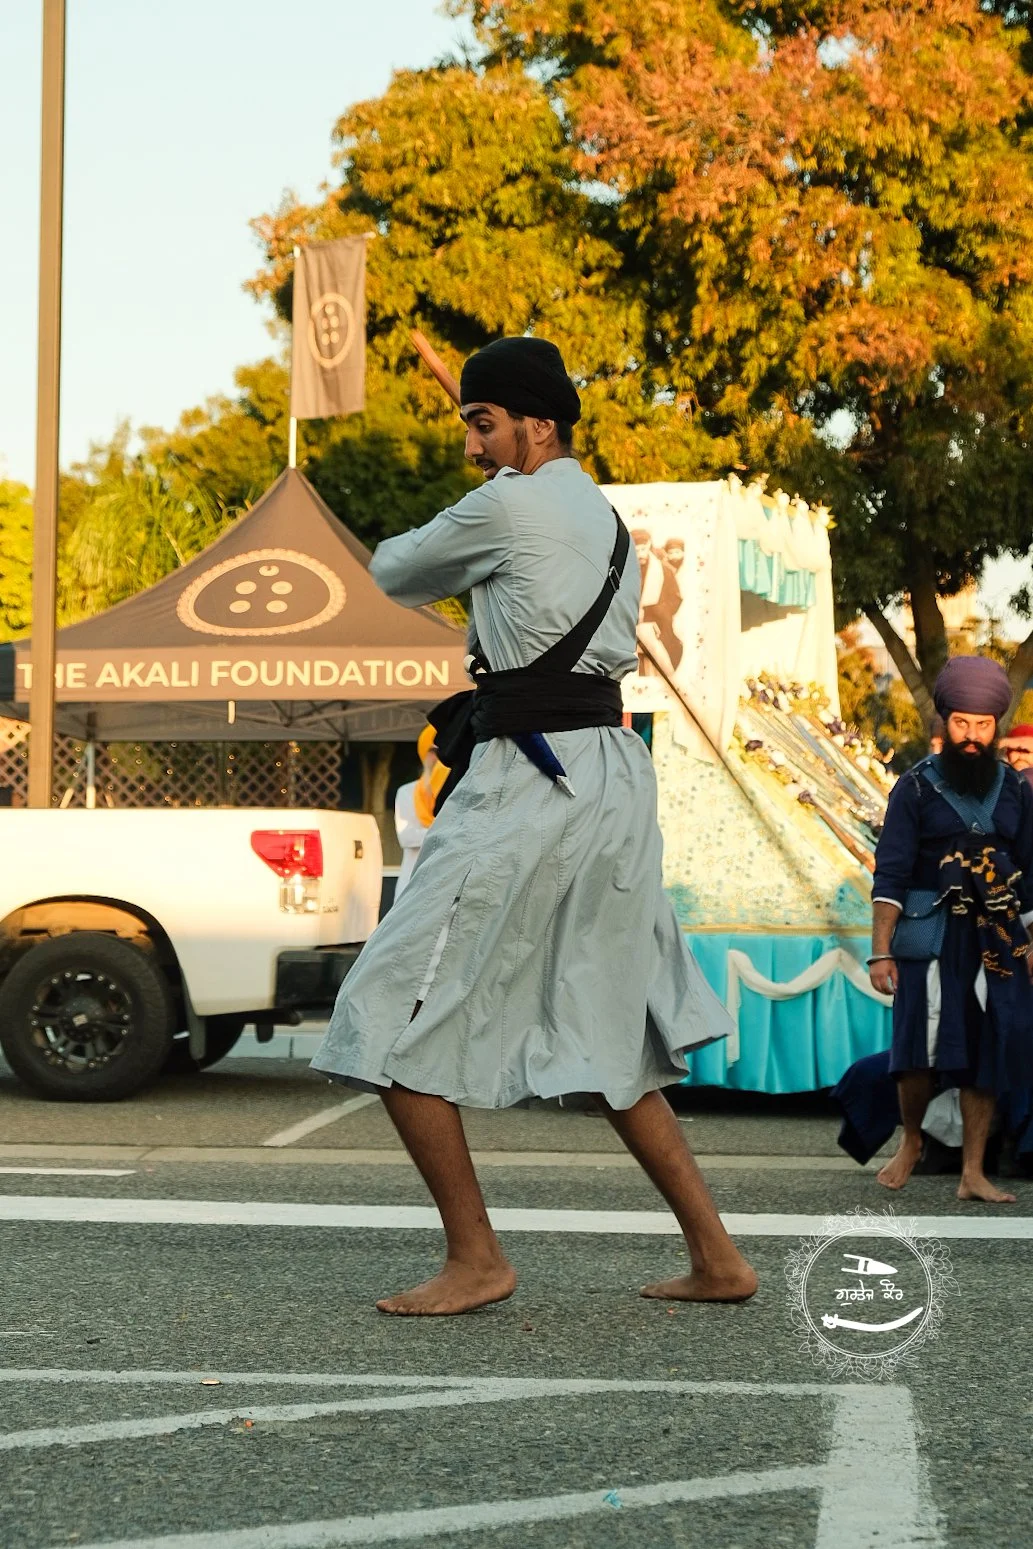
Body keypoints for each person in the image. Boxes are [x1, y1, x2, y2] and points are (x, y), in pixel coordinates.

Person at [312, 335, 757, 1315]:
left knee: (378, 1015)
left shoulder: (508, 504)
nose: (472, 444)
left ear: (535, 422)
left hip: (530, 777)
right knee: (607, 1034)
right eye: (468, 424)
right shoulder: (601, 518)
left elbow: (392, 569)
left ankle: (477, 1258)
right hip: (608, 777)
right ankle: (718, 1257)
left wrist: (476, 500)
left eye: (481, 424)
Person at [866, 655, 1033, 1202]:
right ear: (945, 721)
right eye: (962, 722)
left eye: (982, 725)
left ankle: (973, 1171)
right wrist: (880, 951)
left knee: (986, 1048)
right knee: (917, 1047)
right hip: (929, 934)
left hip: (996, 939)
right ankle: (912, 1140)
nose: (971, 735)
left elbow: (1030, 872)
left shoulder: (1015, 789)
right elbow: (890, 872)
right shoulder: (913, 788)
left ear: (995, 727)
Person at [393, 725, 446, 896]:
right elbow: (407, 837)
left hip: (444, 884)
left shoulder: (456, 793)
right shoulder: (407, 792)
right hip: (412, 883)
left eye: (442, 751)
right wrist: (445, 832)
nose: (436, 757)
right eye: (432, 750)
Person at [1000, 723, 1033, 788]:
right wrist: (1003, 742)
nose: (1021, 755)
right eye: (1016, 749)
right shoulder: (998, 775)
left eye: (1027, 751)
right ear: (1007, 752)